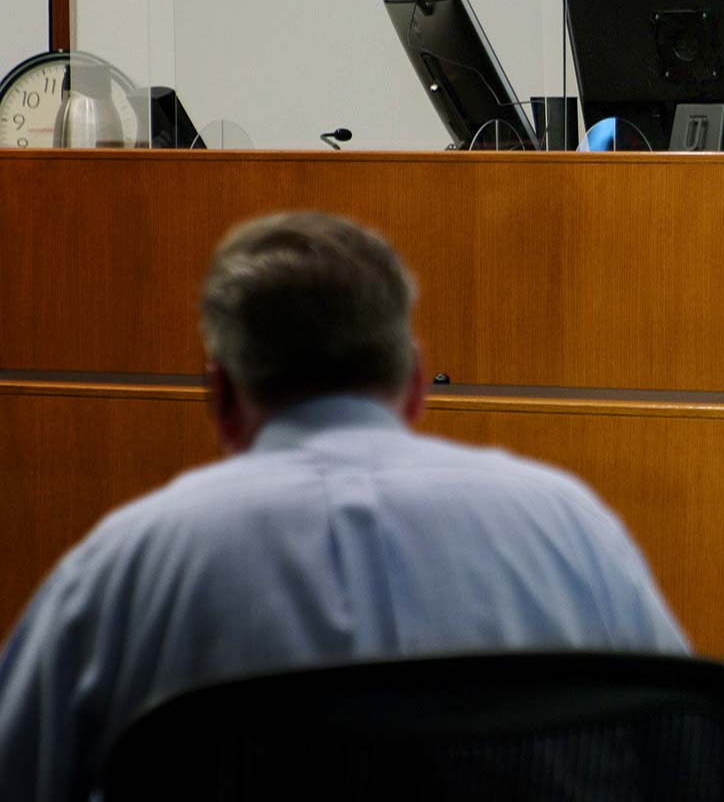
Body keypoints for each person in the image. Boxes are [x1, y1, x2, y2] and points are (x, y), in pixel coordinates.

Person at [0, 211, 688, 801]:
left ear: (221, 399)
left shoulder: (125, 566)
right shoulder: (571, 528)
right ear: (417, 383)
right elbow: (694, 765)